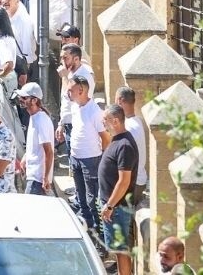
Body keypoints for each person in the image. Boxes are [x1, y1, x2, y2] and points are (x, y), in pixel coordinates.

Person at [67, 75, 109, 232]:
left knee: (92, 200)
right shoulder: (75, 107)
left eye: (70, 90)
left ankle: (99, 237)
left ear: (81, 90)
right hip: (76, 158)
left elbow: (105, 138)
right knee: (81, 197)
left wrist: (103, 160)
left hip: (91, 160)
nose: (68, 93)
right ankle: (87, 230)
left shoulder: (95, 112)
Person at [99, 105, 137, 275]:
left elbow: (124, 181)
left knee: (121, 251)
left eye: (105, 119)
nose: (102, 122)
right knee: (118, 250)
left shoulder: (125, 145)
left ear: (115, 121)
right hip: (113, 206)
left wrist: (109, 206)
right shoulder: (117, 140)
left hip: (118, 208)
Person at [14, 83, 55, 195]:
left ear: (34, 100)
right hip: (33, 176)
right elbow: (35, 145)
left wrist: (45, 178)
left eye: (24, 98)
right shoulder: (34, 117)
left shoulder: (41, 120)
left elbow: (49, 152)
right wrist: (25, 159)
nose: (20, 100)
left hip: (37, 179)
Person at [115, 86, 148, 205]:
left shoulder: (128, 128)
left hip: (133, 183)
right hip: (137, 181)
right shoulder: (136, 121)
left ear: (120, 101)